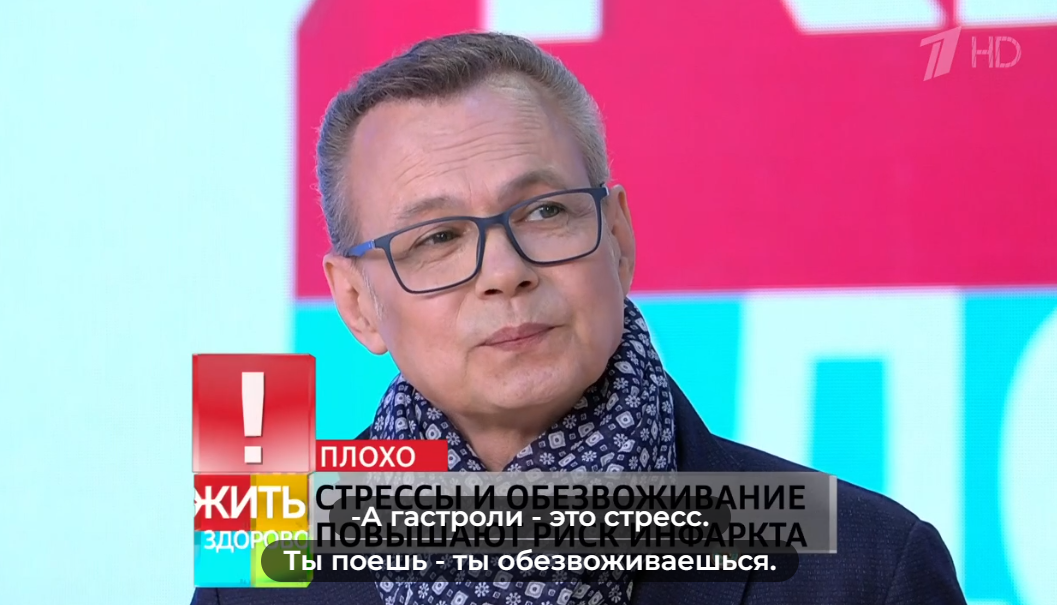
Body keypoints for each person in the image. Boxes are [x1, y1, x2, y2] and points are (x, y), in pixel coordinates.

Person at [192, 32, 966, 605]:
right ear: (358, 303)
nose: (504, 271)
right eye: (436, 238)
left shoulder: (863, 567)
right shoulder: (261, 565)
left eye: (544, 211)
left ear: (617, 237)